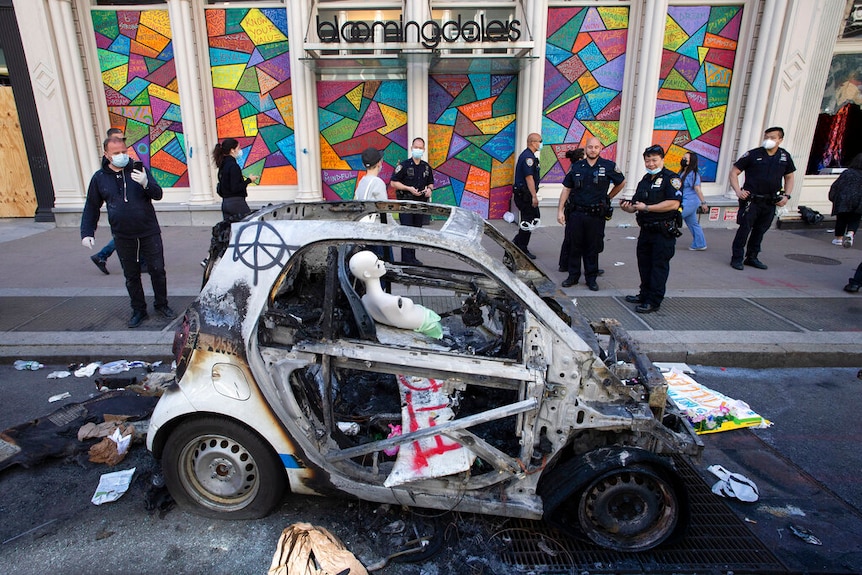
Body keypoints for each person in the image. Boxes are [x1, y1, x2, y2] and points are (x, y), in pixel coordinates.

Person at [81, 136, 174, 328]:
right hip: (123, 234)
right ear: (107, 155)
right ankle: (138, 310)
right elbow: (92, 206)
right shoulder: (99, 178)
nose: (122, 156)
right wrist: (87, 232)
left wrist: (146, 183)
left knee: (157, 270)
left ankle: (162, 305)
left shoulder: (138, 170)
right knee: (131, 275)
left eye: (124, 151)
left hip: (148, 230)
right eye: (116, 153)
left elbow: (157, 194)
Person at [620, 145, 683, 314]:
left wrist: (647, 207)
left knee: (658, 266)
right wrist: (628, 208)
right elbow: (636, 205)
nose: (651, 163)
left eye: (654, 160)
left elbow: (673, 203)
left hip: (663, 231)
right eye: (648, 160)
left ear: (662, 159)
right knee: (644, 264)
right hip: (646, 230)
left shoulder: (672, 179)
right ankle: (644, 294)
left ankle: (653, 301)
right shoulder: (645, 180)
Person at [556, 138, 625, 290]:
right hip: (577, 213)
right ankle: (573, 276)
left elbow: (621, 182)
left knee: (592, 247)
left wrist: (608, 197)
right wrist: (560, 210)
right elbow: (566, 188)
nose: (593, 150)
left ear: (601, 149)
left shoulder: (608, 166)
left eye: (596, 147)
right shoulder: (577, 166)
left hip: (596, 214)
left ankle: (591, 278)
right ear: (585, 149)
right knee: (575, 245)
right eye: (590, 147)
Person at [728, 127, 795, 270]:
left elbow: (789, 177)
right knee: (744, 229)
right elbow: (734, 172)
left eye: (772, 137)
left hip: (770, 201)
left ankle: (752, 257)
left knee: (760, 230)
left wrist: (786, 195)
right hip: (751, 200)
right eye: (766, 137)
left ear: (780, 140)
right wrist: (738, 191)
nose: (768, 140)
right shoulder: (753, 154)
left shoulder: (784, 156)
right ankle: (737, 258)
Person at [348, 250, 442, 339]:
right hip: (430, 327)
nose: (382, 262)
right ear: (367, 274)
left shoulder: (365, 300)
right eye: (377, 264)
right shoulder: (389, 302)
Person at [390, 137, 434, 264]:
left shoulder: (426, 167)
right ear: (411, 148)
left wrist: (429, 190)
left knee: (415, 232)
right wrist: (408, 188)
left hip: (420, 205)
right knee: (406, 231)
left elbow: (431, 182)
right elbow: (393, 183)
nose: (418, 150)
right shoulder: (403, 166)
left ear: (424, 149)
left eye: (420, 148)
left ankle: (412, 258)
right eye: (416, 147)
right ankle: (406, 260)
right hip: (406, 204)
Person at [355, 147, 394, 266]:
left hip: (365, 231)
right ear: (379, 163)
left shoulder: (362, 181)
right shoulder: (378, 183)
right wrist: (394, 227)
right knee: (382, 267)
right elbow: (385, 210)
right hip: (378, 232)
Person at [512, 133, 543, 259]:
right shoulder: (527, 158)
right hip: (525, 194)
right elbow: (529, 178)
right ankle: (521, 247)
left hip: (526, 193)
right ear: (533, 142)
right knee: (528, 221)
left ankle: (517, 243)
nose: (541, 143)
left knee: (532, 218)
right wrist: (534, 196)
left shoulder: (530, 156)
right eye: (540, 141)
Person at [212, 138, 258, 220]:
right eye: (238, 148)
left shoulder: (222, 165)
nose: (240, 151)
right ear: (232, 150)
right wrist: (249, 180)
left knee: (230, 229)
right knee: (247, 226)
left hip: (225, 203)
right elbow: (235, 187)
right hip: (236, 203)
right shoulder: (233, 166)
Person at [557, 147, 584, 271]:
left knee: (571, 237)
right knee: (570, 238)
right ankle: (564, 264)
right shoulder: (575, 170)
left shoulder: (574, 169)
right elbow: (566, 190)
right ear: (579, 159)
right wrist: (561, 210)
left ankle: (564, 264)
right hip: (573, 208)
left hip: (572, 208)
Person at [828, 152, 862, 248]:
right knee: (855, 218)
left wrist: (833, 197)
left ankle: (838, 239)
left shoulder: (847, 172)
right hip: (859, 200)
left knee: (841, 218)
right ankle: (850, 234)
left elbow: (837, 185)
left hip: (844, 199)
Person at [679, 151, 708, 251]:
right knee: (693, 223)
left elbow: (697, 189)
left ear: (691, 161)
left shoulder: (693, 174)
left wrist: (703, 203)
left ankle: (665, 240)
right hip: (686, 201)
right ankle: (700, 243)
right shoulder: (682, 172)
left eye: (686, 159)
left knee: (674, 217)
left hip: (689, 202)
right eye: (683, 158)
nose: (683, 160)